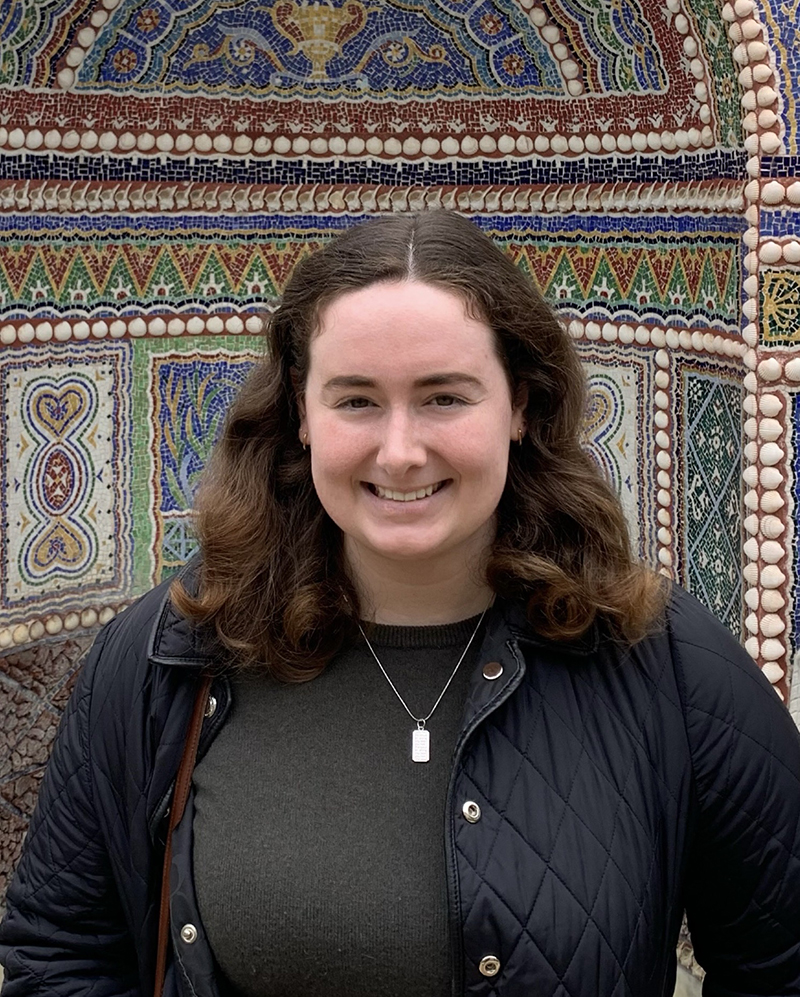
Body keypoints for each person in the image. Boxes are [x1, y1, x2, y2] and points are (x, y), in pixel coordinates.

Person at [1, 211, 799, 997]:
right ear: (301, 414)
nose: (400, 450)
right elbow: (60, 954)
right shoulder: (172, 652)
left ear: (521, 404)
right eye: (356, 401)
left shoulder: (658, 658)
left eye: (445, 397)